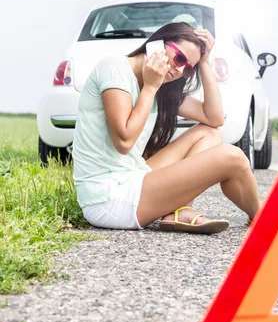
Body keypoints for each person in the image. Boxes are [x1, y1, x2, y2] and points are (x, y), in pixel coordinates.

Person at [72, 22, 261, 234]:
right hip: (108, 198)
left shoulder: (160, 87)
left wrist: (205, 63)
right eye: (179, 58)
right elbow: (123, 142)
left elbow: (214, 118)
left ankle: (180, 210)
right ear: (157, 44)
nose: (180, 69)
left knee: (209, 133)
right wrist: (150, 87)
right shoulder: (114, 68)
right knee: (232, 157)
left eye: (189, 68)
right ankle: (262, 218)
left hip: (132, 176)